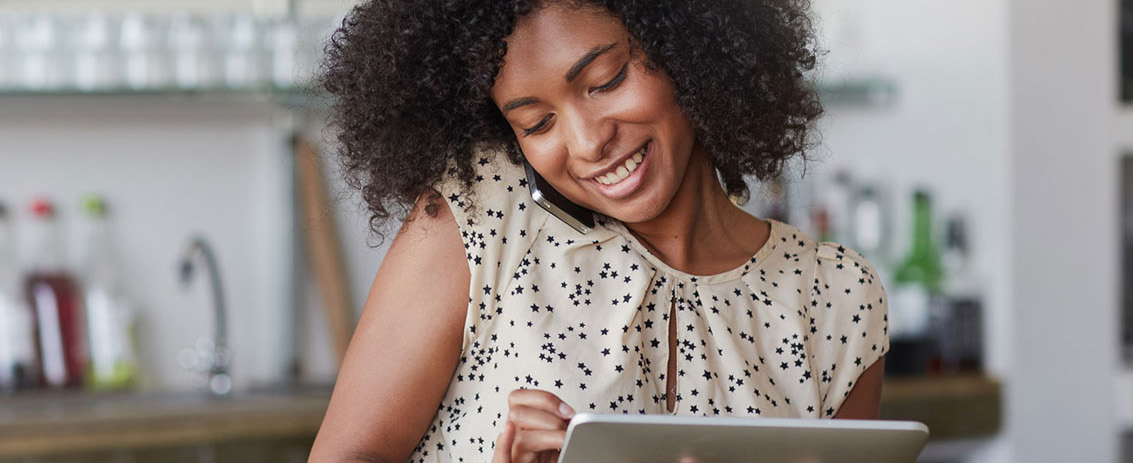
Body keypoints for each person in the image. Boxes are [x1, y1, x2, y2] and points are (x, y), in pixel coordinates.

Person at [310, 1, 889, 462]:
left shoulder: (836, 298)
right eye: (536, 122)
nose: (588, 143)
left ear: (687, 44)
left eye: (606, 80)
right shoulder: (480, 219)